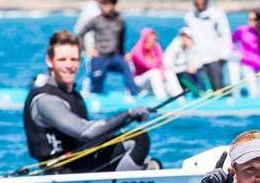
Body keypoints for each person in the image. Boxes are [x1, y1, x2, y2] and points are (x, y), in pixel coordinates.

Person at [24, 31, 159, 173]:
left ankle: (139, 175)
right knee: (138, 139)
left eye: (74, 59)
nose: (69, 65)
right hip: (62, 172)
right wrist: (128, 114)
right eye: (62, 60)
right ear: (49, 61)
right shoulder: (46, 100)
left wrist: (121, 125)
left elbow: (88, 139)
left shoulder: (73, 95)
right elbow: (86, 132)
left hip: (79, 163)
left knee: (143, 153)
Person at [75, 0, 139, 95]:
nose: (104, 7)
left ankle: (135, 96)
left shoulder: (120, 20)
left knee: (128, 69)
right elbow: (80, 33)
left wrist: (123, 54)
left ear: (113, 5)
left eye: (107, 4)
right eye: (103, 4)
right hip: (100, 56)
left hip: (115, 56)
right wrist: (87, 50)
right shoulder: (96, 20)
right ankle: (95, 98)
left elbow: (121, 39)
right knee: (96, 83)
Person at [183, 0, 231, 91]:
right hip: (198, 59)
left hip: (215, 57)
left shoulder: (217, 15)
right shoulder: (189, 17)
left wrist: (224, 55)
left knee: (218, 87)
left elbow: (225, 35)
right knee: (203, 89)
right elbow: (187, 39)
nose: (199, 2)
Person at [230, 9, 260, 98]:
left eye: (254, 19)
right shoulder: (242, 30)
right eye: (249, 19)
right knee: (253, 92)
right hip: (247, 65)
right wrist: (236, 52)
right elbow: (231, 41)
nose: (251, 22)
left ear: (259, 20)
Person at [73, 0, 104, 92]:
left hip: (83, 40)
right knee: (90, 67)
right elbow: (87, 29)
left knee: (83, 66)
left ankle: (86, 90)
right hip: (88, 41)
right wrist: (88, 47)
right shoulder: (93, 9)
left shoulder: (90, 7)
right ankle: (87, 92)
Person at [162, 27, 206, 96]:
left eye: (187, 37)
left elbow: (198, 62)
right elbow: (168, 64)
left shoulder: (193, 46)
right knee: (185, 76)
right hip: (177, 72)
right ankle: (197, 92)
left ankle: (204, 91)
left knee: (200, 73)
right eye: (182, 36)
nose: (184, 38)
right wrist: (185, 68)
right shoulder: (174, 46)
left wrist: (190, 48)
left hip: (187, 70)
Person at [126, 27, 167, 98]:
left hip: (149, 79)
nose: (151, 43)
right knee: (155, 72)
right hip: (137, 81)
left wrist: (163, 75)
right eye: (148, 40)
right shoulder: (137, 51)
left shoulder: (155, 47)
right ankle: (161, 99)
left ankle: (180, 99)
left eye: (154, 40)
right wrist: (159, 66)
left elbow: (161, 64)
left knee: (168, 73)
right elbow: (147, 66)